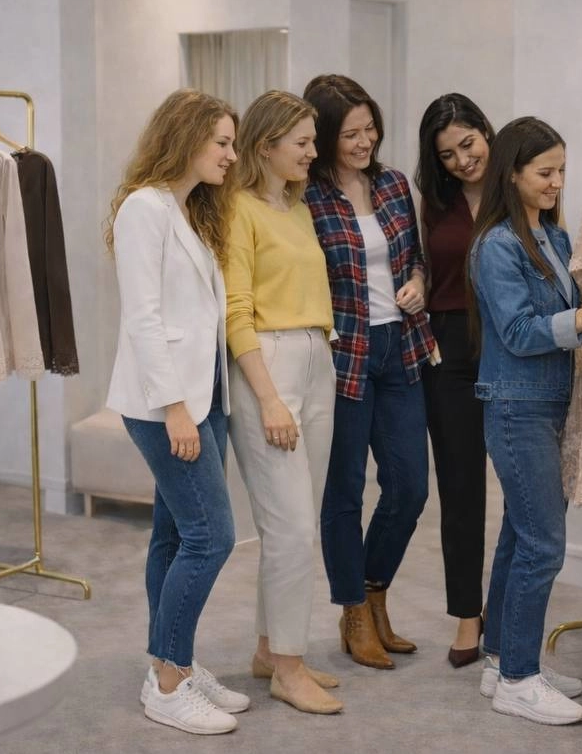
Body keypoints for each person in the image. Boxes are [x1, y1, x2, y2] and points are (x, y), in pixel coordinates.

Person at [468, 116, 582, 725]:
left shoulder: (554, 238)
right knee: (542, 545)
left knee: (520, 535)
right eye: (545, 172)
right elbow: (515, 331)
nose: (557, 182)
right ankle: (518, 679)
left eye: (561, 170)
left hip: (550, 403)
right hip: (517, 407)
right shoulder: (497, 246)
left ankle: (504, 658)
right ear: (512, 174)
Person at [105, 89, 250, 735]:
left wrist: (200, 405)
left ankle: (175, 662)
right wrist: (175, 410)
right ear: (186, 137)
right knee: (211, 535)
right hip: (168, 404)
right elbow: (143, 318)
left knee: (173, 536)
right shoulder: (144, 208)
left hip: (204, 396)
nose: (231, 154)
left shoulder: (189, 210)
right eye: (221, 142)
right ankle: (168, 684)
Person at [302, 74, 435, 670]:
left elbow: (417, 259)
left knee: (410, 487)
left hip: (401, 347)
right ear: (325, 136)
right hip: (343, 356)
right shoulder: (307, 197)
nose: (364, 142)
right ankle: (354, 610)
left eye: (370, 129)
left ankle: (374, 589)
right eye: (350, 133)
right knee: (345, 492)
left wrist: (418, 282)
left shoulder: (394, 184)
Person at [222, 90, 342, 715]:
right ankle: (288, 670)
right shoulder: (236, 209)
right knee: (290, 528)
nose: (313, 152)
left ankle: (272, 650)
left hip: (317, 357)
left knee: (298, 525)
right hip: (267, 367)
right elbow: (235, 312)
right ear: (265, 146)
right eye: (302, 142)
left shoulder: (296, 209)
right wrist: (269, 398)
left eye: (313, 141)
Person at [413, 93, 496, 668]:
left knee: (524, 488)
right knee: (460, 488)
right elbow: (421, 263)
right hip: (448, 347)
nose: (463, 161)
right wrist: (419, 281)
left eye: (468, 144)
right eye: (447, 154)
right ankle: (469, 614)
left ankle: (511, 607)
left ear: (486, 131)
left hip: (512, 342)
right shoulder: (434, 202)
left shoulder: (518, 186)